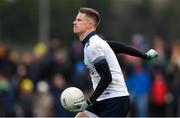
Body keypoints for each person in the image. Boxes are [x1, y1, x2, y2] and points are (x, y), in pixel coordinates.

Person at [72, 7, 158, 117]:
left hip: (116, 101)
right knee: (81, 116)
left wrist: (89, 101)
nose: (74, 22)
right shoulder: (95, 42)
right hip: (104, 99)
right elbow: (121, 47)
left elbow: (107, 77)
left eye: (79, 20)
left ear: (89, 25)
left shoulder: (93, 46)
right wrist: (145, 55)